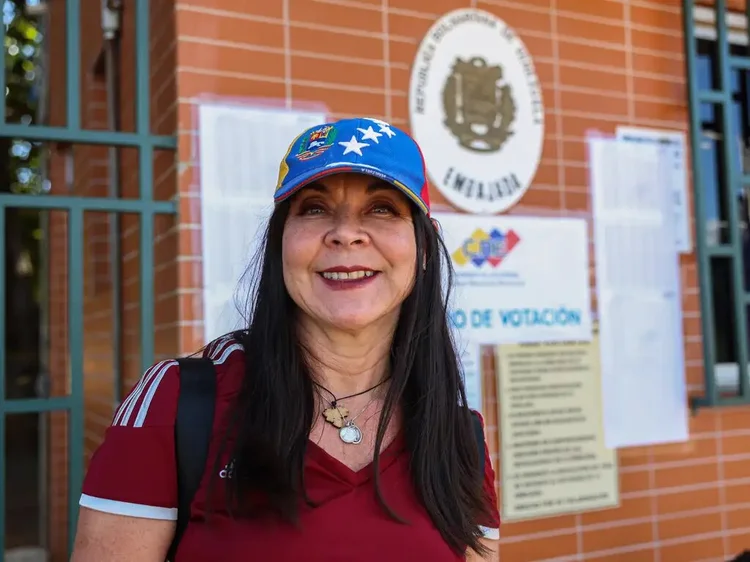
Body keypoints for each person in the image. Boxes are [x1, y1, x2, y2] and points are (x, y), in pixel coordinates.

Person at [70, 117, 501, 561]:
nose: (345, 233)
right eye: (314, 208)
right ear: (280, 246)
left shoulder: (458, 437)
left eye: (382, 209)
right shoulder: (175, 403)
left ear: (424, 249)